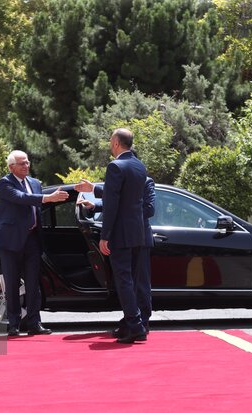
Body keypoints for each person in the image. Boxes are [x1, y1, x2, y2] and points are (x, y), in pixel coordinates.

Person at [0, 150, 69, 336]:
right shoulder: (5, 183)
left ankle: (34, 323)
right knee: (12, 284)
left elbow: (39, 206)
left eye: (27, 162)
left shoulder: (35, 183)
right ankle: (13, 324)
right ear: (11, 166)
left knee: (33, 284)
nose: (26, 166)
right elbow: (21, 199)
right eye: (21, 163)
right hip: (12, 241)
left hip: (32, 240)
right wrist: (47, 198)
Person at [75, 173, 155, 338]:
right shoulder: (122, 183)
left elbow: (149, 209)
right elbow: (116, 201)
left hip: (139, 238)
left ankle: (143, 323)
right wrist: (95, 206)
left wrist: (122, 212)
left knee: (140, 284)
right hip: (122, 238)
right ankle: (131, 321)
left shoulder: (146, 182)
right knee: (126, 284)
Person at [100, 128, 148, 343]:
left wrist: (105, 235)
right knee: (132, 280)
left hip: (120, 233)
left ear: (117, 143)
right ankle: (132, 325)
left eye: (111, 141)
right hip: (138, 232)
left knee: (124, 281)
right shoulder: (139, 166)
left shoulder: (115, 166)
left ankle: (135, 325)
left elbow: (112, 205)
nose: (111, 144)